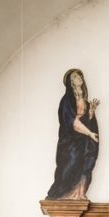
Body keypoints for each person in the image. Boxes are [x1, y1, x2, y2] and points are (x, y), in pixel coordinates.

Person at [45, 69, 99, 200]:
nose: (79, 77)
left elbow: (86, 120)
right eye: (75, 76)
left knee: (83, 163)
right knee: (71, 163)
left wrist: (91, 112)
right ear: (71, 82)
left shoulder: (84, 101)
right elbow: (72, 122)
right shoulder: (67, 100)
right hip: (70, 140)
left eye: (80, 75)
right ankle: (63, 193)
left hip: (83, 139)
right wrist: (90, 133)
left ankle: (78, 193)